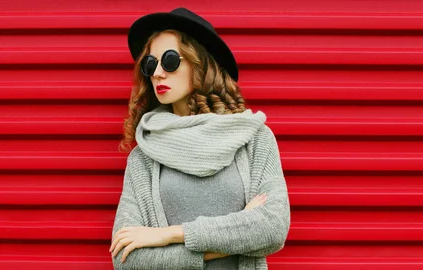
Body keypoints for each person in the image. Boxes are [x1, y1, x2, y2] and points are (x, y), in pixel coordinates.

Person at [109, 7, 290, 270]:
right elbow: (125, 258)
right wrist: (235, 237)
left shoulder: (253, 138)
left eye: (169, 61)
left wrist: (169, 234)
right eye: (151, 64)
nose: (158, 73)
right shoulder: (145, 155)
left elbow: (273, 227)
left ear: (201, 63)